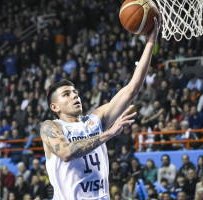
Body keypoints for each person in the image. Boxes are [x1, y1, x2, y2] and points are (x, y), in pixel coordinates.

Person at [39, 16, 160, 199]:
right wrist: (109, 133)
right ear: (54, 106)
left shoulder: (95, 120)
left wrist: (151, 41)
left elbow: (132, 88)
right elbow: (65, 153)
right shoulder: (50, 127)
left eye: (75, 92)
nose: (74, 96)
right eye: (66, 94)